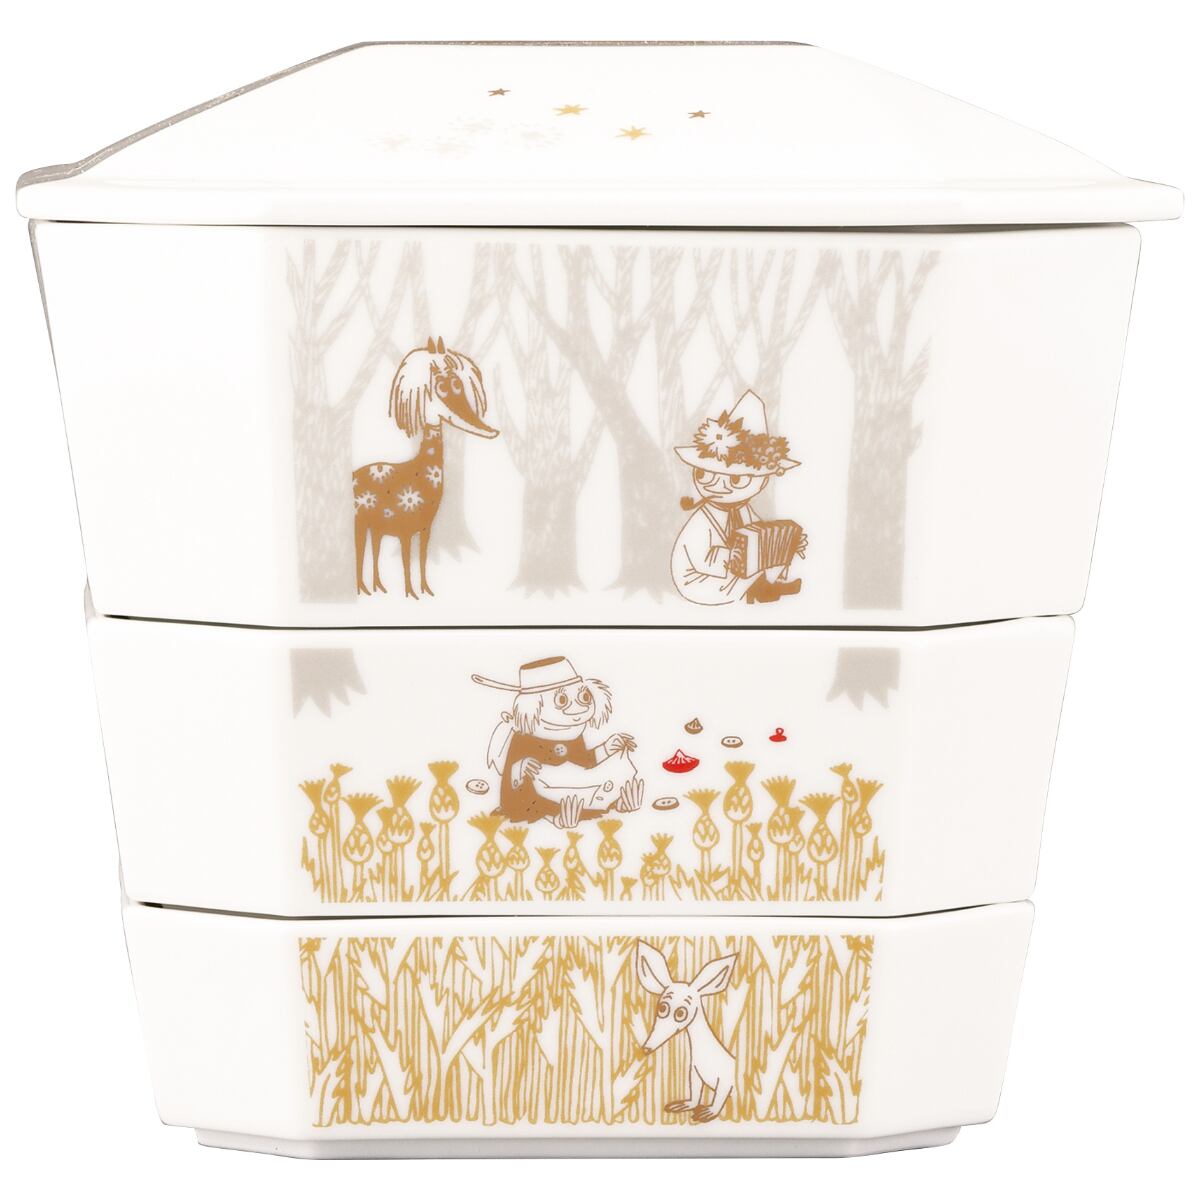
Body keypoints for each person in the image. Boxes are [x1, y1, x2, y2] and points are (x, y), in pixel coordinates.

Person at [670, 390, 807, 605]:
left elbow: (761, 537)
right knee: (751, 566)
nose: (717, 485)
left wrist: (788, 543)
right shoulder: (702, 519)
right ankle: (764, 590)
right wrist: (729, 557)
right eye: (704, 474)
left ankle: (766, 589)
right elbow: (698, 556)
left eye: (735, 479)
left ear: (762, 481)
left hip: (731, 575)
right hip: (701, 579)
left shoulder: (742, 510)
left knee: (760, 560)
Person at [472, 656, 643, 826]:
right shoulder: (525, 736)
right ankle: (556, 818)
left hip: (572, 796)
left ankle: (619, 803)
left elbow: (584, 761)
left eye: (584, 697)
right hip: (533, 802)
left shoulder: (573, 732)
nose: (579, 708)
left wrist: (608, 748)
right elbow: (510, 779)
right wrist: (521, 767)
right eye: (562, 700)